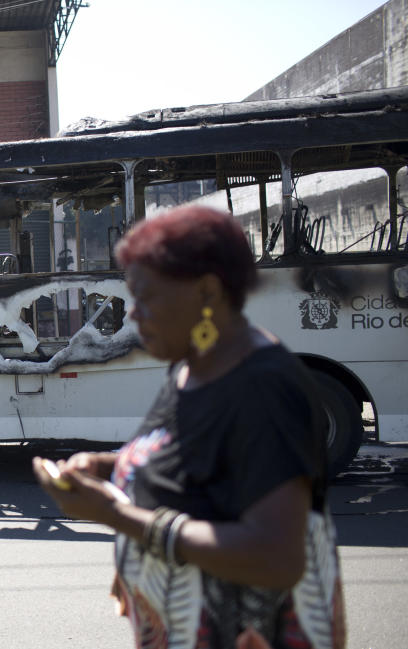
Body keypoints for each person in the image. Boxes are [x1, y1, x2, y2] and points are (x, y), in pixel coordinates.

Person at [33, 205, 345, 649]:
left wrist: (116, 515)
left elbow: (278, 556)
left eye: (146, 298)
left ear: (207, 292)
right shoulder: (193, 367)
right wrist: (105, 467)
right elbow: (190, 455)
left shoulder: (261, 388)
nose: (133, 315)